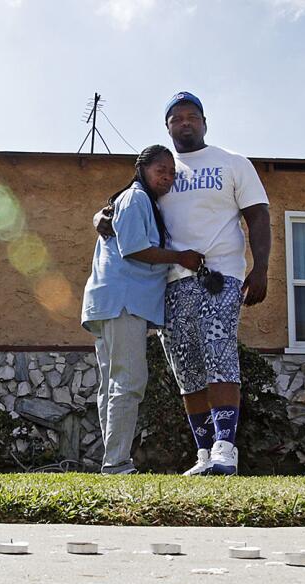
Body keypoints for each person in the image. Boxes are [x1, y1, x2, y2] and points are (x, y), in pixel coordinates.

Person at [98, 91, 271, 475]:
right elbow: (124, 200)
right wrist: (101, 215)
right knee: (187, 368)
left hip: (220, 274)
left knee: (219, 350)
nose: (185, 122)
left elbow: (258, 216)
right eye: (177, 118)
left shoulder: (232, 163)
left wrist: (260, 269)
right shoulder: (161, 169)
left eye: (193, 116)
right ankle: (205, 453)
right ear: (167, 126)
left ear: (205, 122)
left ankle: (226, 446)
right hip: (171, 283)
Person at [81, 144, 204, 474]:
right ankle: (117, 464)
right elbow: (134, 249)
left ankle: (112, 462)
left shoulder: (138, 201)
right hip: (123, 301)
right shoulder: (136, 198)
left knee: (112, 384)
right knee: (129, 381)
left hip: (109, 301)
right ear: (142, 169)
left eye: (171, 173)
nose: (166, 177)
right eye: (160, 170)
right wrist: (181, 257)